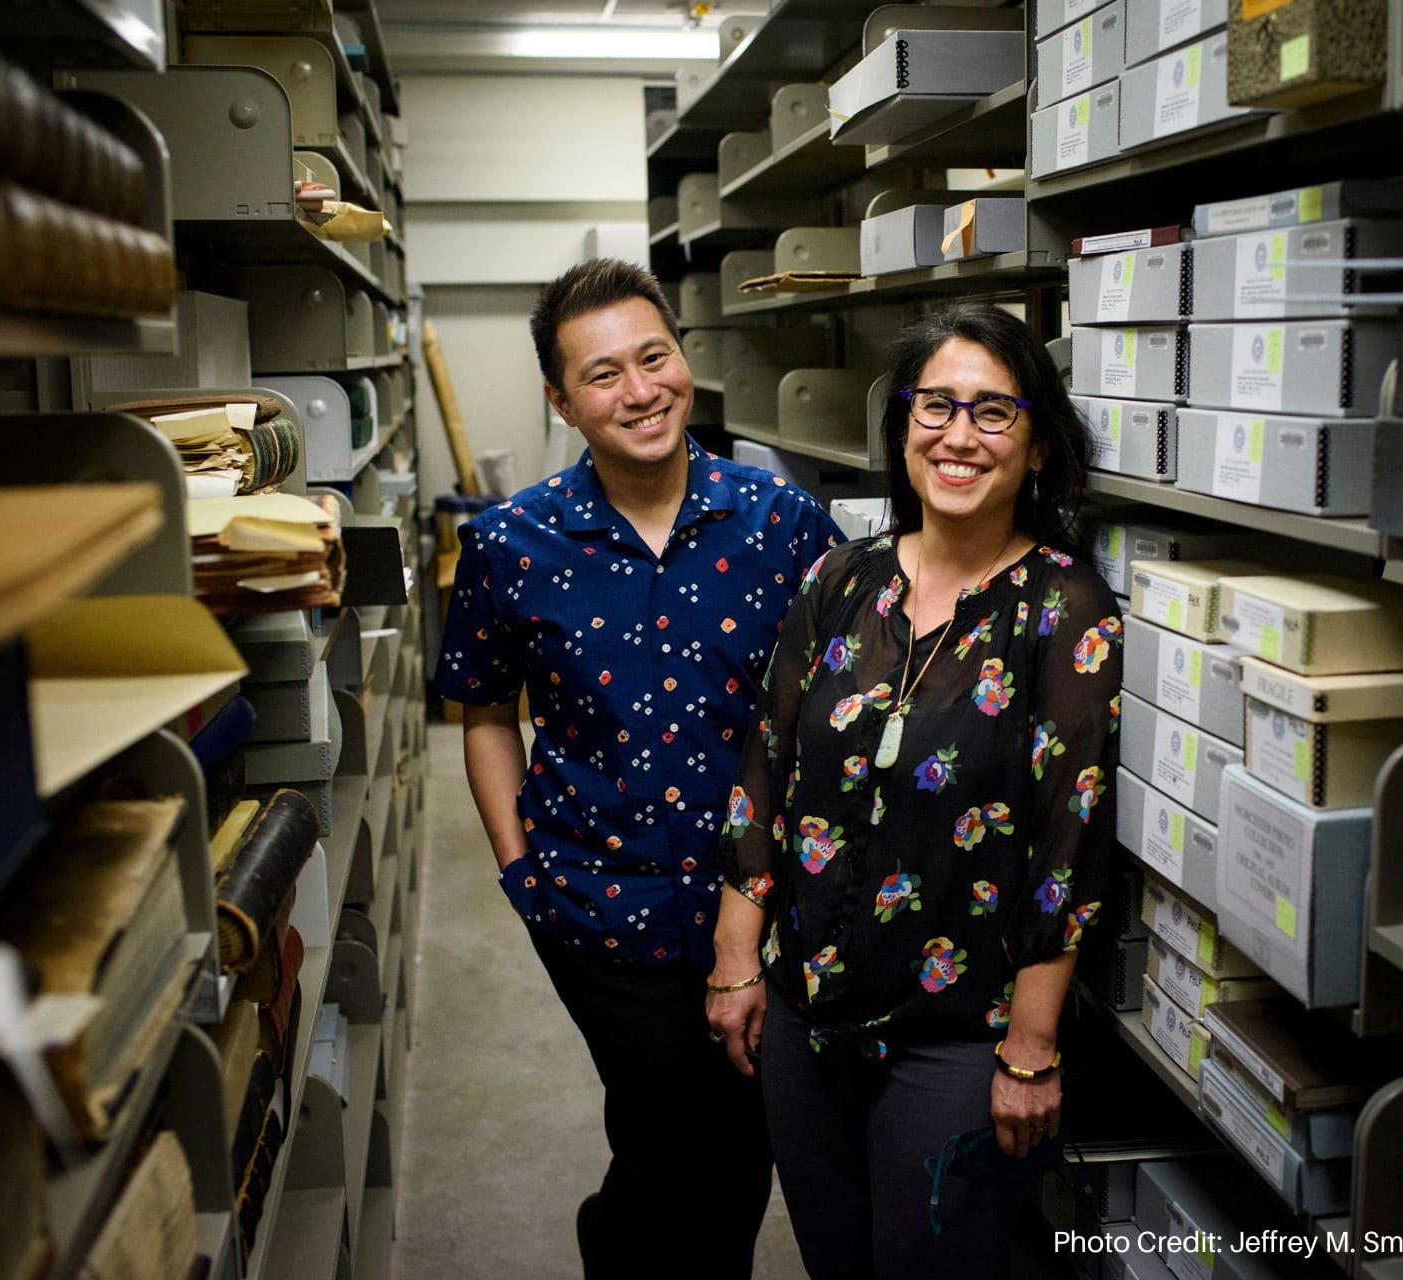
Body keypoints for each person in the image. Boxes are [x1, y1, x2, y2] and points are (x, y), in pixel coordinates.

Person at [434, 258, 842, 1279]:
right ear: (561, 400)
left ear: (684, 357)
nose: (640, 390)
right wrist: (521, 869)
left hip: (762, 900)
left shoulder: (780, 522)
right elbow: (484, 710)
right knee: (688, 1143)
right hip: (598, 904)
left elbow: (842, 696)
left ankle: (616, 1241)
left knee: (729, 1146)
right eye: (603, 373)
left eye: (654, 356)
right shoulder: (510, 543)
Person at [707, 304, 1123, 1278]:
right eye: (937, 404)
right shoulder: (839, 578)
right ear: (902, 427)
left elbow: (1071, 845)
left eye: (994, 411)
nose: (960, 434)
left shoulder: (1064, 608)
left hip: (956, 1038)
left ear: (1038, 445)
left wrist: (1031, 1046)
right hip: (802, 1014)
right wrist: (736, 960)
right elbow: (765, 770)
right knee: (833, 1258)